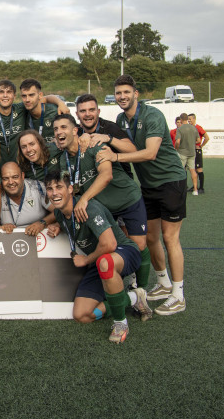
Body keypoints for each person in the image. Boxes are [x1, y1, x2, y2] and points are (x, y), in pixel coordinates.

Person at [96, 75, 188, 316]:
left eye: (126, 92)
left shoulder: (152, 115)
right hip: (147, 186)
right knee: (151, 238)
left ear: (136, 93)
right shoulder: (119, 119)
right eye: (118, 93)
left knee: (170, 238)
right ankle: (163, 282)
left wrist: (114, 156)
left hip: (170, 181)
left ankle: (178, 295)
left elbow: (149, 153)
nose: (122, 97)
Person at [44, 172, 153, 343]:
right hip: (100, 261)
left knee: (106, 262)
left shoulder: (88, 208)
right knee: (82, 315)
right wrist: (57, 227)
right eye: (50, 189)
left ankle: (120, 323)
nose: (54, 193)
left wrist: (86, 260)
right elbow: (69, 221)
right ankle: (133, 298)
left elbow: (110, 245)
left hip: (123, 251)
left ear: (70, 189)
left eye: (59, 187)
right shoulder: (59, 214)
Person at [50, 114, 151, 290]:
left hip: (126, 198)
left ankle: (141, 288)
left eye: (64, 127)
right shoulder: (63, 160)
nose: (59, 132)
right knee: (113, 246)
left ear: (75, 130)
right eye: (56, 129)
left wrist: (84, 199)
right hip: (104, 207)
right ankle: (119, 285)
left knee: (139, 244)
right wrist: (61, 221)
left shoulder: (93, 145)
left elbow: (106, 175)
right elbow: (69, 190)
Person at [76, 94, 137, 178]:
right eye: (82, 111)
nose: (87, 114)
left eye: (91, 110)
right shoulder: (76, 131)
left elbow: (133, 150)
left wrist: (109, 138)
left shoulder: (110, 127)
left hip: (120, 183)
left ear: (98, 112)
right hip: (95, 181)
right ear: (77, 114)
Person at [0, 162, 51, 235]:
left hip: (42, 239)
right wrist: (1, 228)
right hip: (10, 241)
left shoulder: (37, 187)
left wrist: (42, 223)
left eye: (15, 177)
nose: (11, 182)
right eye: (5, 178)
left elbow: (58, 212)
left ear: (23, 176)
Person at [174, 114, 199, 195]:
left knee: (180, 171)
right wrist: (192, 143)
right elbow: (198, 140)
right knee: (192, 170)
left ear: (181, 119)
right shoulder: (194, 128)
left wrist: (176, 148)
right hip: (192, 152)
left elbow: (177, 141)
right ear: (187, 119)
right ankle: (195, 190)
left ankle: (180, 189)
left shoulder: (180, 129)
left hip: (182, 152)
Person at [187, 113, 208, 193]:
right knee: (193, 169)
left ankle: (201, 188)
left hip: (197, 151)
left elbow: (207, 137)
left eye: (190, 119)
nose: (189, 121)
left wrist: (201, 145)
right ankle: (195, 186)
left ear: (194, 119)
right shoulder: (189, 128)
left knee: (199, 169)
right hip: (191, 151)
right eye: (188, 119)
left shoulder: (198, 128)